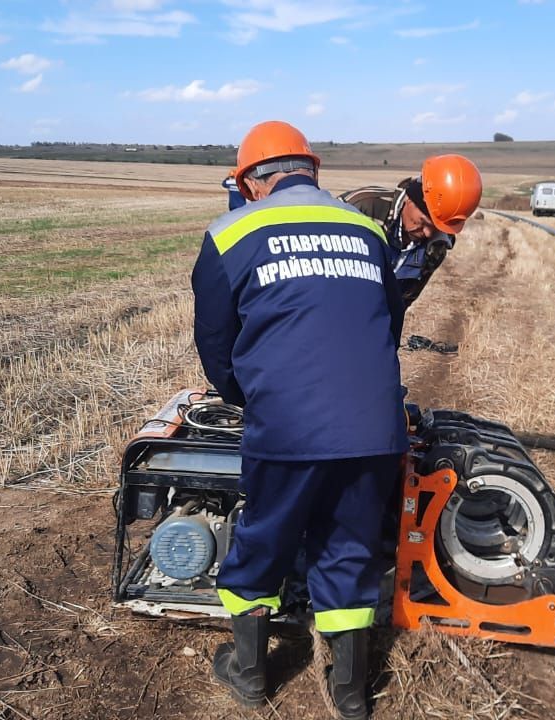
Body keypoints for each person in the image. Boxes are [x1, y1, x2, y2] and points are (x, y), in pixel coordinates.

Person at [191, 120, 407, 720]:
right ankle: (350, 694)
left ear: (250, 181)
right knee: (349, 548)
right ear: (312, 172)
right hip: (375, 427)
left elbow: (215, 341)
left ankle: (251, 676)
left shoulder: (231, 232)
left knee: (262, 542)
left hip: (287, 427)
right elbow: (389, 326)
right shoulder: (365, 229)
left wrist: (249, 395)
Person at [339, 154, 482, 309]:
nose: (428, 233)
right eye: (424, 222)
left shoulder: (436, 246)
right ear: (410, 199)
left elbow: (401, 303)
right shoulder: (361, 208)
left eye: (437, 229)